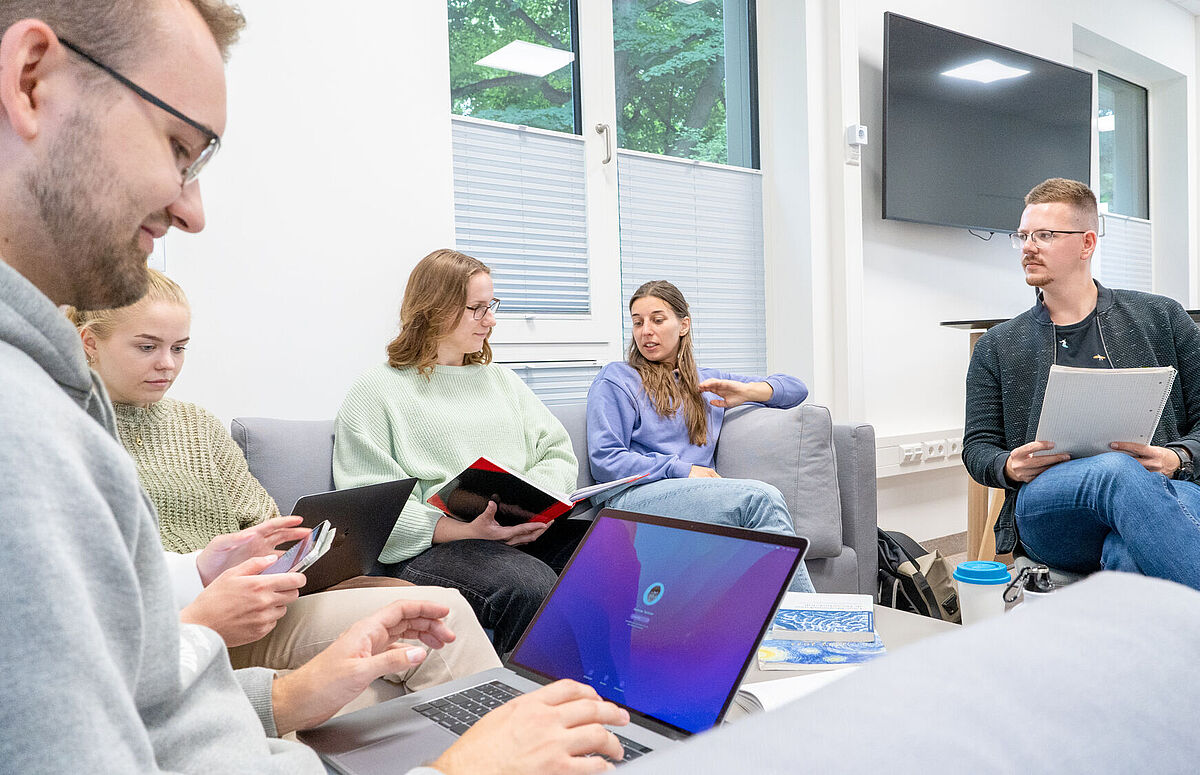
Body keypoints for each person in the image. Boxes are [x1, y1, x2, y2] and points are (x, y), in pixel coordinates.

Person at [0, 4, 627, 772]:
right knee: (505, 592)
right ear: (30, 80)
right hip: (439, 554)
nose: (192, 210)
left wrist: (281, 689)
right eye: (176, 146)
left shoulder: (56, 396)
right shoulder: (27, 428)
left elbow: (147, 695)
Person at [71, 268, 500, 691]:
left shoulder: (197, 424)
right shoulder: (66, 431)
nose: (167, 364)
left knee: (429, 613)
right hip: (188, 623)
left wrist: (297, 555)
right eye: (147, 347)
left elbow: (265, 520)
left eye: (179, 348)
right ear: (90, 343)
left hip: (264, 601)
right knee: (437, 614)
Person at [334, 248, 591, 655]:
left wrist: (532, 506)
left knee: (613, 554)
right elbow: (371, 507)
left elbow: (557, 450)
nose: (491, 320)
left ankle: (621, 685)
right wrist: (467, 531)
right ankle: (535, 693)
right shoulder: (376, 391)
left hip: (515, 530)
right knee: (529, 586)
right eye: (477, 309)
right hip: (437, 547)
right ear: (434, 309)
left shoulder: (501, 381)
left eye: (492, 306)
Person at [963, 178, 1200, 590]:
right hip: (1050, 508)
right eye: (1023, 236)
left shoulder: (1162, 318)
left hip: (1161, 487)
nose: (1028, 247)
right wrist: (1009, 466)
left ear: (1087, 243)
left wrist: (1177, 457)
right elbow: (978, 447)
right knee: (1116, 470)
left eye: (1045, 235)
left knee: (1127, 552)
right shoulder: (998, 345)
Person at [586, 280, 816, 592]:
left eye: (657, 320)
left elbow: (796, 389)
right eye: (638, 322)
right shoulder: (617, 378)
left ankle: (776, 619)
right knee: (760, 500)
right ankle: (813, 617)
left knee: (754, 533)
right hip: (633, 498)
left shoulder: (707, 382)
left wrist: (748, 391)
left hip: (694, 496)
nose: (646, 331)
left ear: (683, 325)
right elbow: (606, 460)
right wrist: (682, 469)